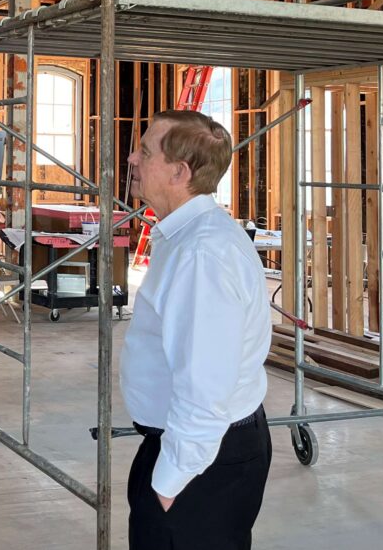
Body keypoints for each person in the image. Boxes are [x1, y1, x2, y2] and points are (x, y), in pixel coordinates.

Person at [121, 110, 272, 550]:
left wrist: (169, 484)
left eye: (145, 152)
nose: (132, 159)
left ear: (179, 172)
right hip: (195, 450)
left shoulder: (203, 254)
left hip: (200, 464)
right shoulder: (189, 237)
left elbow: (205, 387)